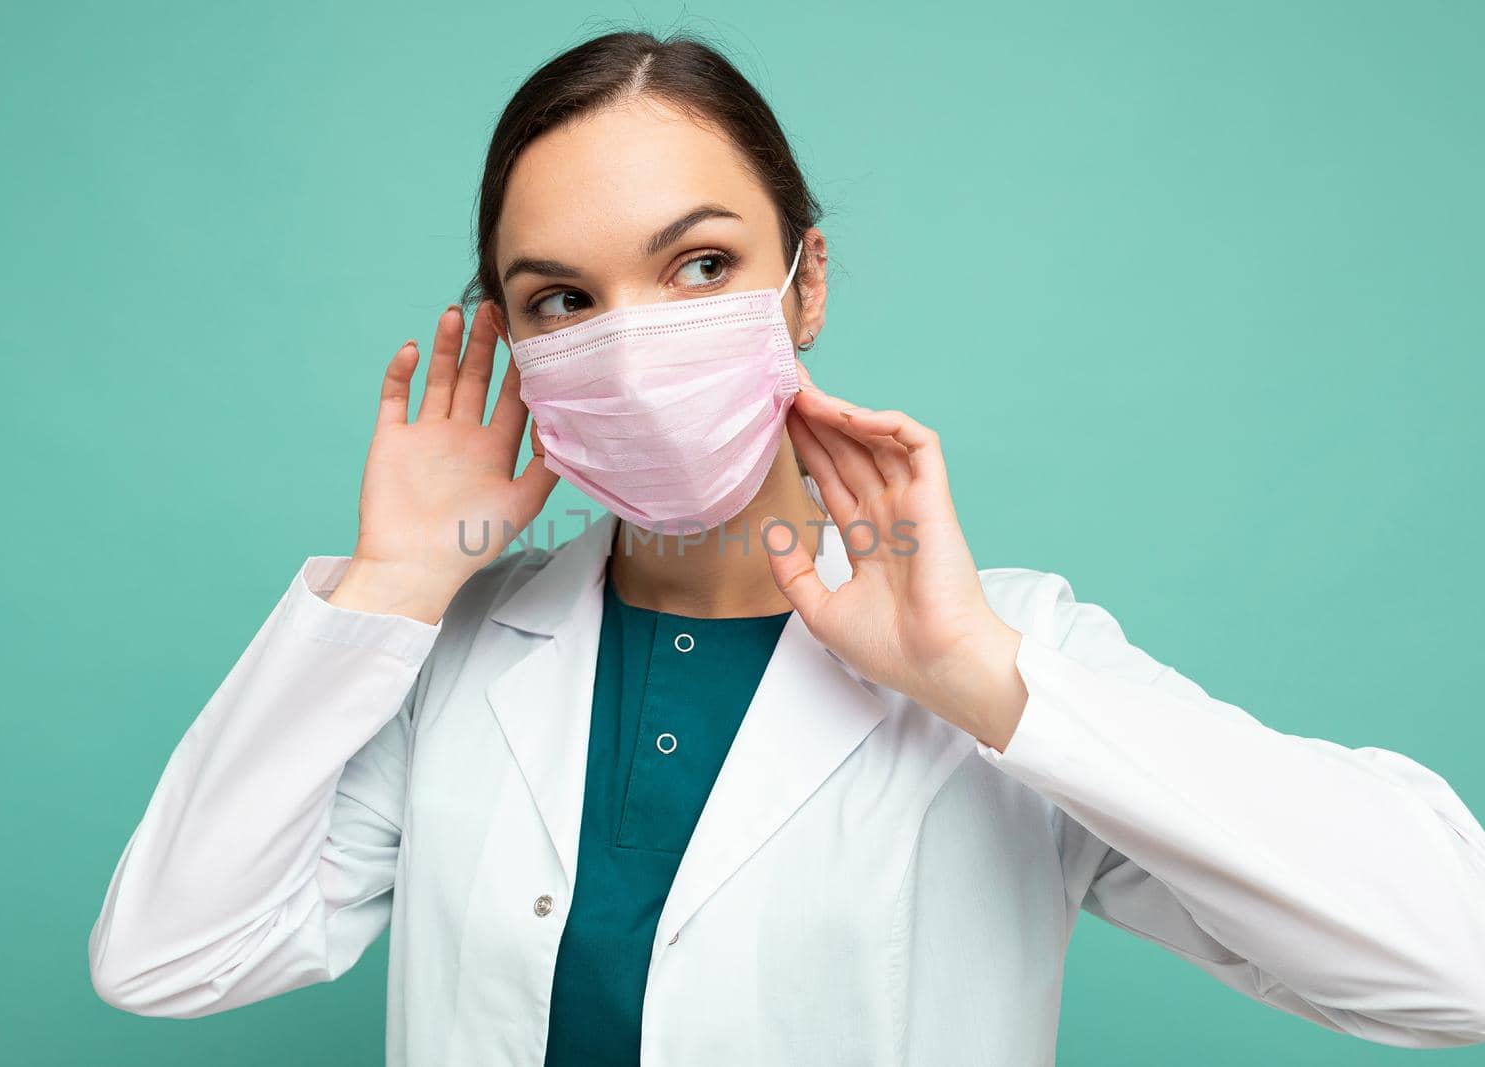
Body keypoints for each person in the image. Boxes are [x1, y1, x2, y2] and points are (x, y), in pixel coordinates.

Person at [87, 29, 1485, 1066]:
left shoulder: (1014, 660)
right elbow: (169, 957)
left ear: (802, 282)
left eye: (699, 267)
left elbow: (1451, 965)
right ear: (519, 346)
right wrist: (394, 581)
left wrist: (984, 683)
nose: (633, 346)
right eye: (564, 298)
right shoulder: (456, 654)